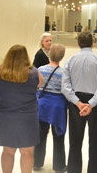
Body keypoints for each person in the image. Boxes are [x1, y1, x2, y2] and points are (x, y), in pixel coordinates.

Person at [61, 32, 97, 173]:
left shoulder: (70, 60)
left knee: (75, 142)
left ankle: (74, 170)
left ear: (78, 43)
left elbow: (65, 86)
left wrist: (78, 103)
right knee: (96, 143)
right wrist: (91, 104)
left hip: (76, 104)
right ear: (92, 42)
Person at [0, 44, 43, 173]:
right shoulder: (34, 73)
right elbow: (40, 84)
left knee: (8, 151)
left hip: (6, 117)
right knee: (27, 153)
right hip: (27, 118)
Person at [34, 44, 67, 172]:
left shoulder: (40, 69)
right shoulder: (63, 72)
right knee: (58, 136)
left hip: (41, 104)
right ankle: (59, 166)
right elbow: (65, 90)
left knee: (40, 134)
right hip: (57, 107)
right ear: (62, 56)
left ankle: (36, 162)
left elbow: (36, 86)